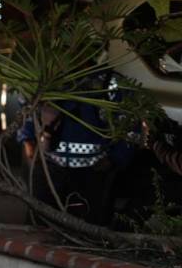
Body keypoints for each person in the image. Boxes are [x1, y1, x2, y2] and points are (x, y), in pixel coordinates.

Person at [16, 72, 133, 225]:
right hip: (49, 168)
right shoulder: (45, 76)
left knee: (90, 227)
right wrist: (28, 142)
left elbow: (129, 124)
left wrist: (115, 158)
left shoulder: (108, 82)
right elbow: (26, 112)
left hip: (93, 173)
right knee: (42, 224)